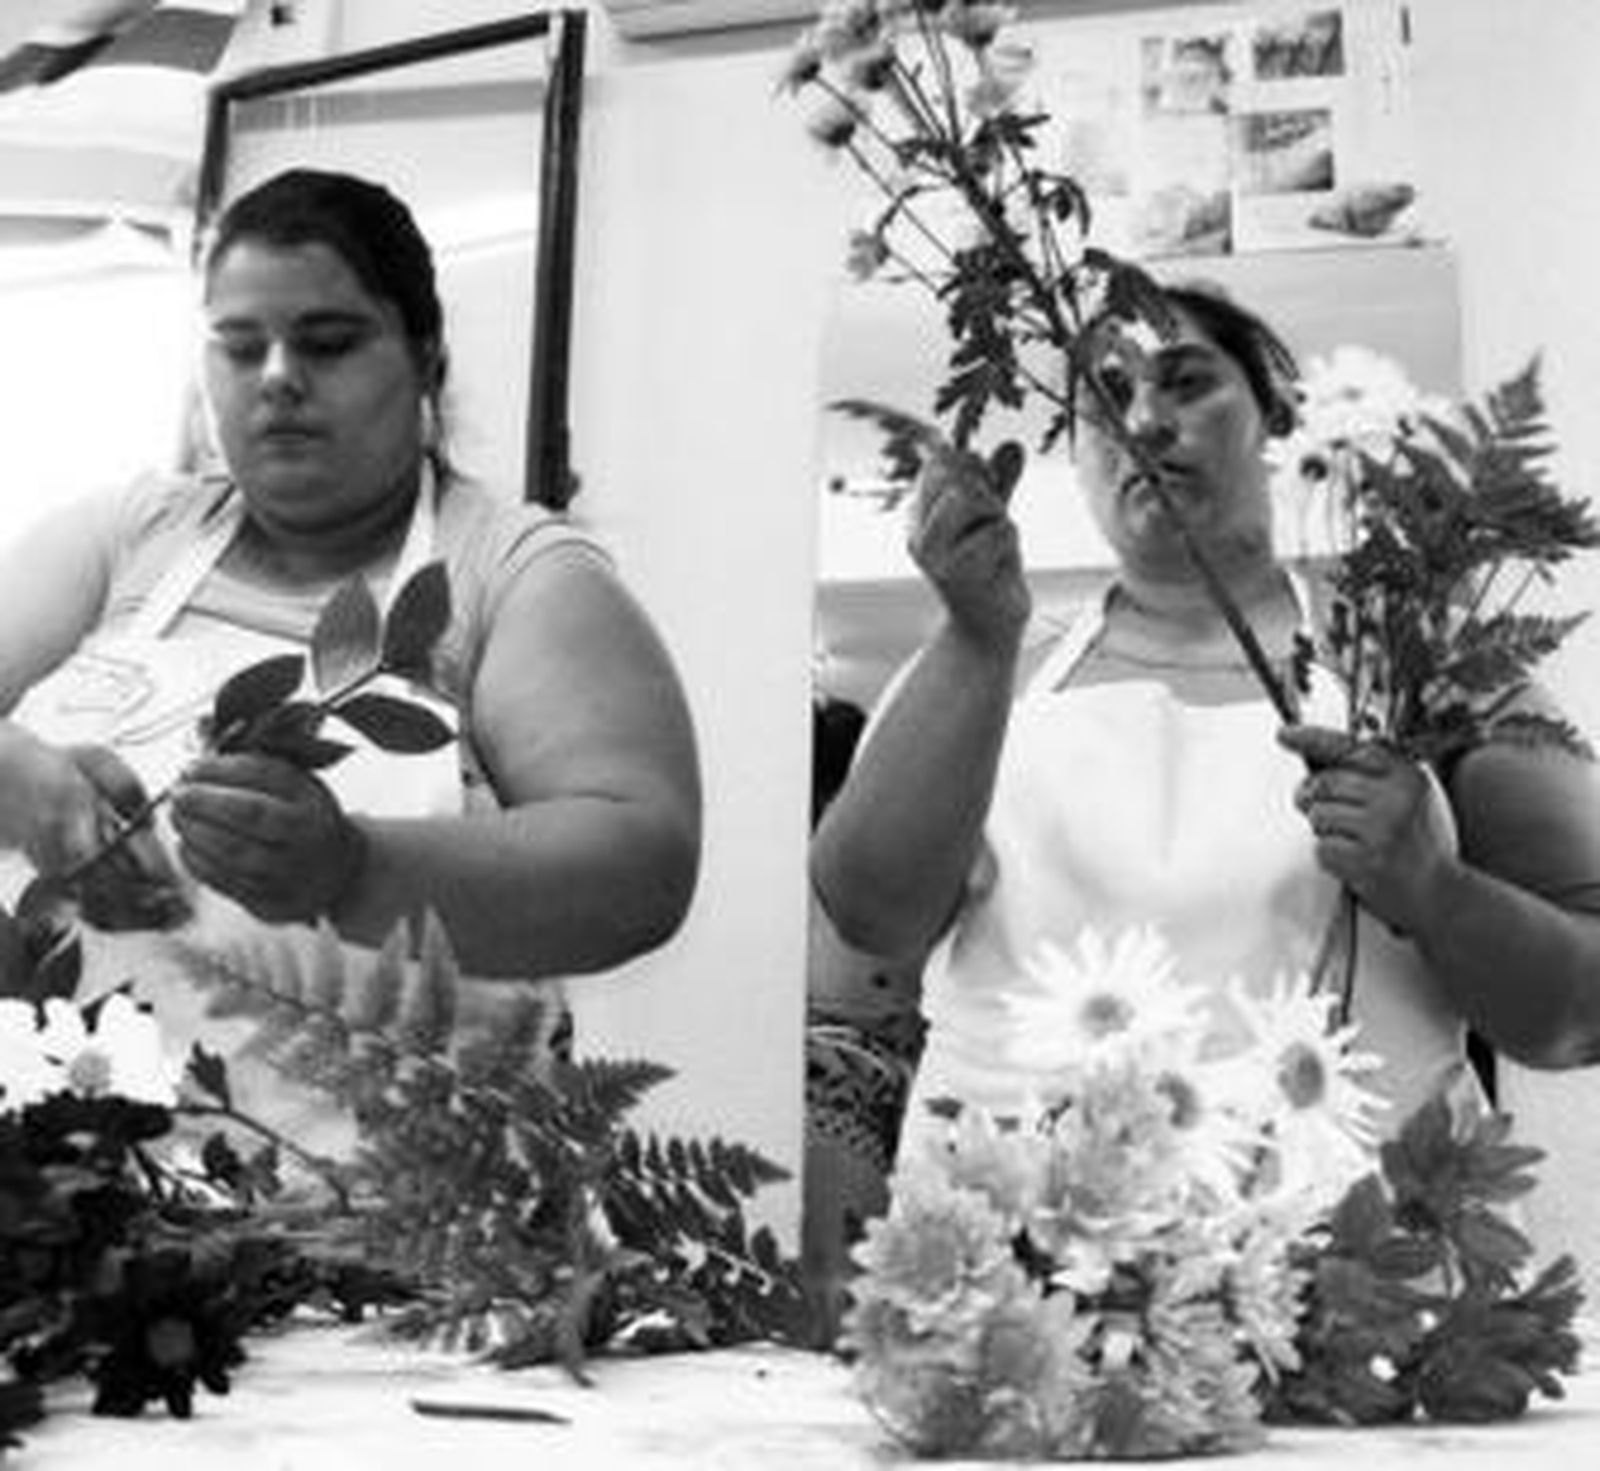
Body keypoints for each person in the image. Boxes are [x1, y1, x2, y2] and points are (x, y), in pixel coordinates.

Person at [811, 282, 1600, 1162]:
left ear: (1276, 412)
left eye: (1186, 383)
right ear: (1075, 454)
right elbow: (869, 918)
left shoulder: (1427, 668)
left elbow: (1581, 1013)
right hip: (1024, 1267)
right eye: (1107, 397)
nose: (1144, 421)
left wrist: (1433, 889)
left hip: (1363, 1267)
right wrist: (976, 639)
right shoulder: (987, 660)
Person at [0, 168, 701, 1145]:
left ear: (423, 357)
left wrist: (352, 866)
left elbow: (642, 863)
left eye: (327, 343)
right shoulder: (126, 535)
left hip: (385, 1233)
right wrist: (24, 783)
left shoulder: (514, 573)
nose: (278, 375)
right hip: (80, 1200)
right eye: (238, 348)